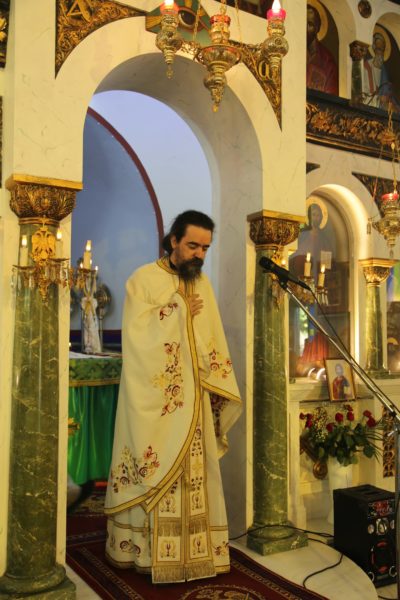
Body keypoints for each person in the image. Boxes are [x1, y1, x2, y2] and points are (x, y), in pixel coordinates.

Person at [104, 210, 241, 584]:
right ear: (173, 241)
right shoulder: (142, 280)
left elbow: (210, 338)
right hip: (155, 405)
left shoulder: (202, 284)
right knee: (152, 467)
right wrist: (176, 310)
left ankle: (196, 554)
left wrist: (215, 386)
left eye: (205, 248)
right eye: (193, 245)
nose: (199, 254)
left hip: (194, 402)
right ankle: (146, 555)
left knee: (195, 476)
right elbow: (136, 339)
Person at [306, 4, 338, 95]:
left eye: (310, 24)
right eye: (302, 22)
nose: (305, 28)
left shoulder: (327, 60)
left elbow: (331, 95)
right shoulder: (291, 50)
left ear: (317, 28)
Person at [362, 31, 393, 110]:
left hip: (383, 105)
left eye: (382, 49)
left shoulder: (384, 70)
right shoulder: (366, 67)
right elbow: (363, 94)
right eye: (378, 49)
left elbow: (387, 91)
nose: (380, 53)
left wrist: (386, 98)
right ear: (374, 48)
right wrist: (379, 98)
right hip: (370, 106)